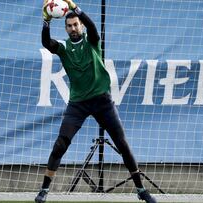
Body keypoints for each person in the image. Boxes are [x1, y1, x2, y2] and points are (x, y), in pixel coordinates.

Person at [35, 0, 157, 203]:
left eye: (76, 24)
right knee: (60, 144)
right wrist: (46, 22)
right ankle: (44, 190)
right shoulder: (64, 47)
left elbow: (92, 26)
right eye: (69, 25)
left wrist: (76, 9)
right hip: (78, 103)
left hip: (102, 101)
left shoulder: (91, 40)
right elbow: (46, 43)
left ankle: (141, 190)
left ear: (80, 25)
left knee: (122, 144)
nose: (73, 28)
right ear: (65, 28)